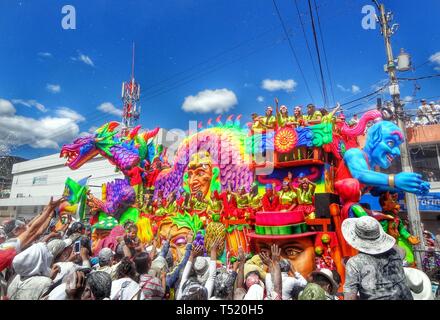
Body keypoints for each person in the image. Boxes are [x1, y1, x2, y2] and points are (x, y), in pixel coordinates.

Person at [342, 216, 413, 300]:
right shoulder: (396, 252)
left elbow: (350, 297)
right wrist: (384, 243)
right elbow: (402, 251)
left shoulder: (354, 263)